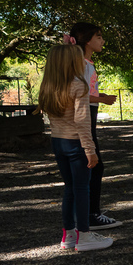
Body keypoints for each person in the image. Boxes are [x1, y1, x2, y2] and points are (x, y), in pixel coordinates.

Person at [38, 39, 114, 252]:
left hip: (58, 142)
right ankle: (85, 236)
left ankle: (69, 235)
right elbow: (82, 121)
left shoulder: (49, 86)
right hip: (76, 144)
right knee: (82, 189)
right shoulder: (78, 85)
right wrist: (90, 150)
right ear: (71, 62)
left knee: (70, 188)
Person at [72, 22, 122, 229]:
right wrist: (101, 100)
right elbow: (79, 93)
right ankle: (91, 215)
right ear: (87, 40)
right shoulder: (81, 64)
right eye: (99, 37)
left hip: (89, 114)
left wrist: (98, 97)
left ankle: (89, 212)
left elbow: (86, 91)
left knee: (94, 166)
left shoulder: (87, 63)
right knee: (94, 165)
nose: (102, 41)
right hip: (83, 117)